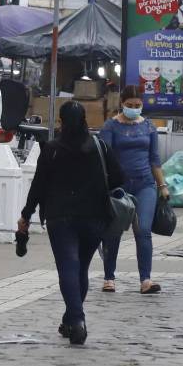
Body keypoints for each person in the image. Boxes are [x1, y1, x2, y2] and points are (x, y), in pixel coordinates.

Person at [18, 101, 122, 345]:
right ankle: (71, 319)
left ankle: (76, 319)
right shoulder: (99, 146)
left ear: (62, 122)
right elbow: (119, 177)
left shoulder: (53, 149)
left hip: (60, 217)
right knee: (80, 268)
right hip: (94, 217)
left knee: (68, 267)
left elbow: (38, 186)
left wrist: (26, 214)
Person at [98, 84, 168, 295]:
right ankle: (109, 277)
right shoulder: (111, 127)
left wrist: (162, 185)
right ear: (122, 104)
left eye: (138, 105)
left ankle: (145, 279)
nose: (134, 109)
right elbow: (104, 156)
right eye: (130, 105)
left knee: (143, 230)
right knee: (114, 231)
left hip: (145, 183)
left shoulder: (149, 127)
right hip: (119, 186)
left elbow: (154, 159)